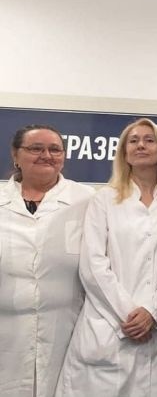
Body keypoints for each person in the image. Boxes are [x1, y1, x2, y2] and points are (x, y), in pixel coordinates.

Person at [55, 118, 157, 396]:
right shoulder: (104, 199)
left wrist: (151, 311)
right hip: (109, 324)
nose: (140, 145)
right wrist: (129, 313)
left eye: (149, 140)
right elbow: (93, 264)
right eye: (133, 141)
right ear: (124, 153)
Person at [0, 124, 95, 397]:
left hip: (67, 329)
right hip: (6, 331)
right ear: (16, 155)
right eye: (35, 148)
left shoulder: (86, 199)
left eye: (55, 149)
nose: (46, 155)